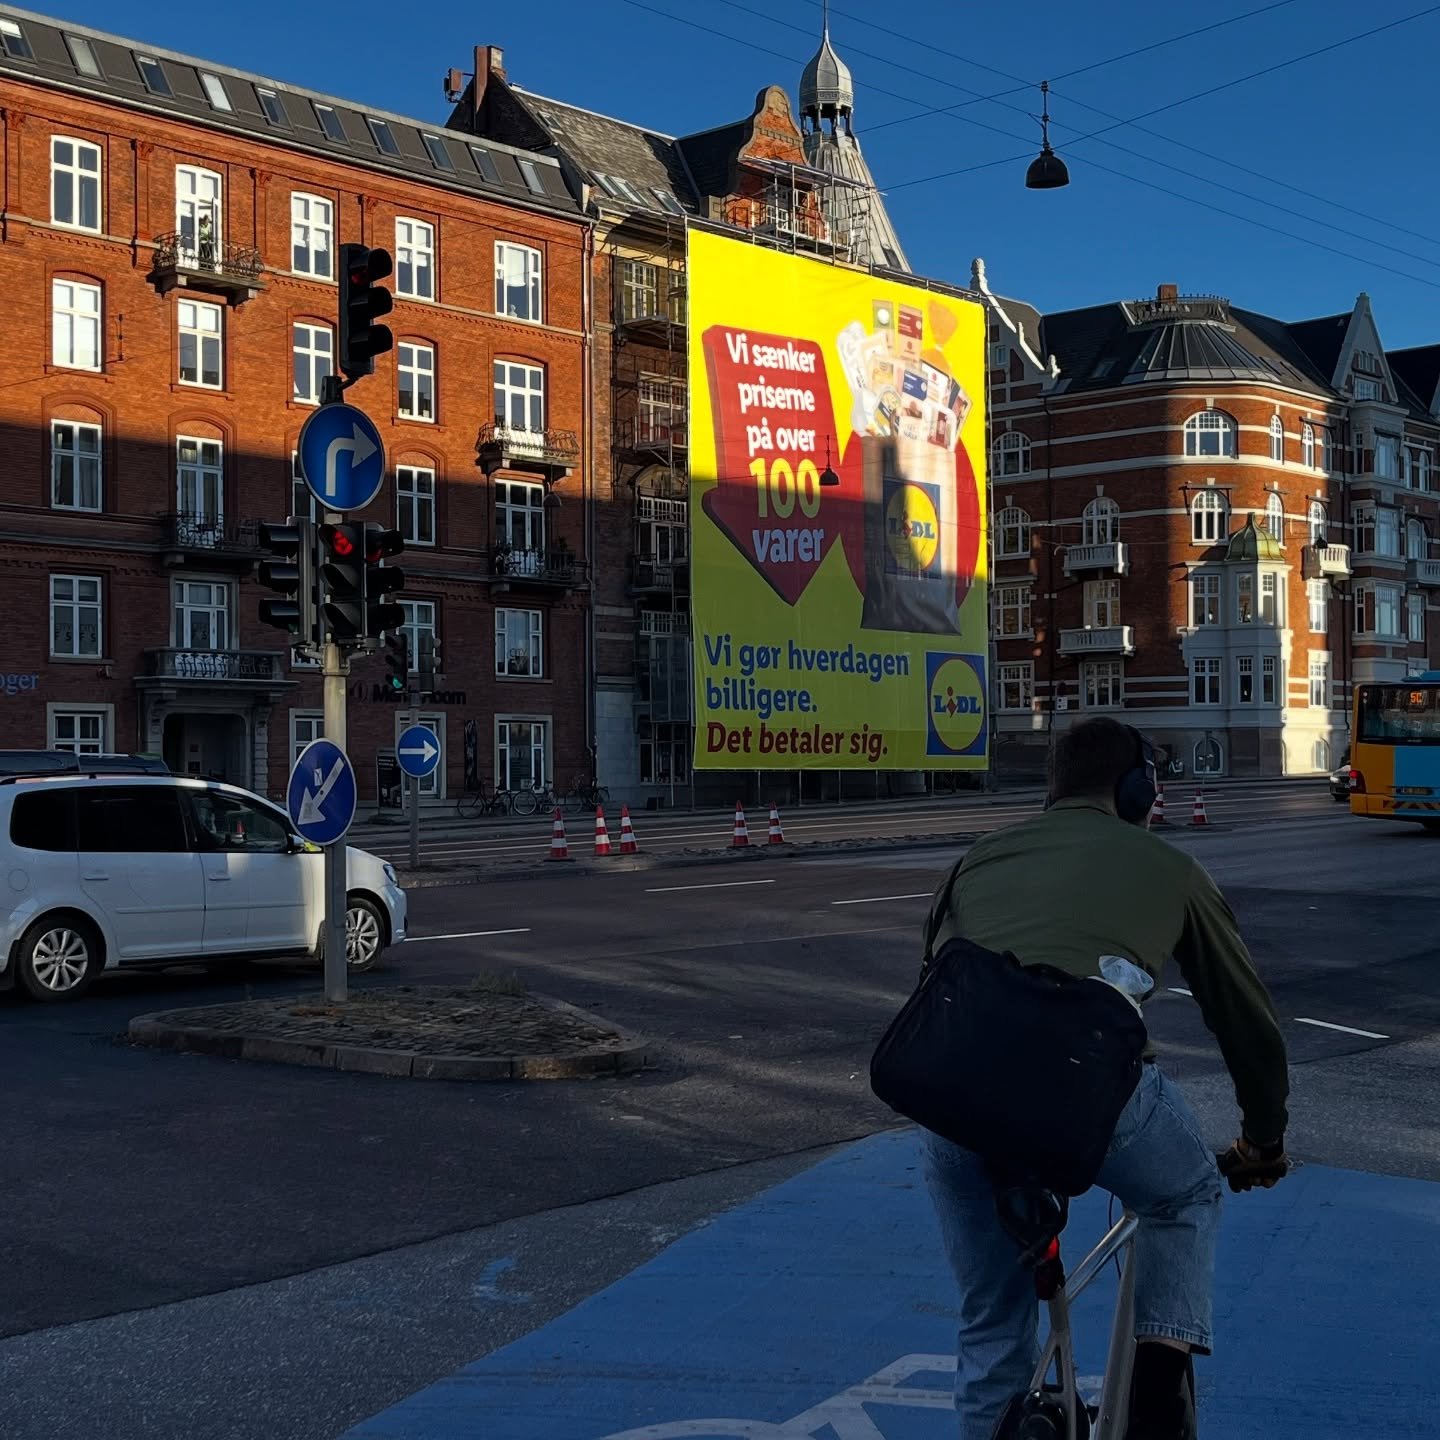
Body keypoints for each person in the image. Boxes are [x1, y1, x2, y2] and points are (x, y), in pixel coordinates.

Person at [920, 717, 1291, 1440]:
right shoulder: (1171, 868)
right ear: (1137, 790)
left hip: (954, 1106)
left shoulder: (976, 860)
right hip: (1085, 1096)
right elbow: (1247, 1025)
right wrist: (1263, 1140)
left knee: (992, 1325)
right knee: (1184, 1192)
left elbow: (936, 986)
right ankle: (1158, 1391)